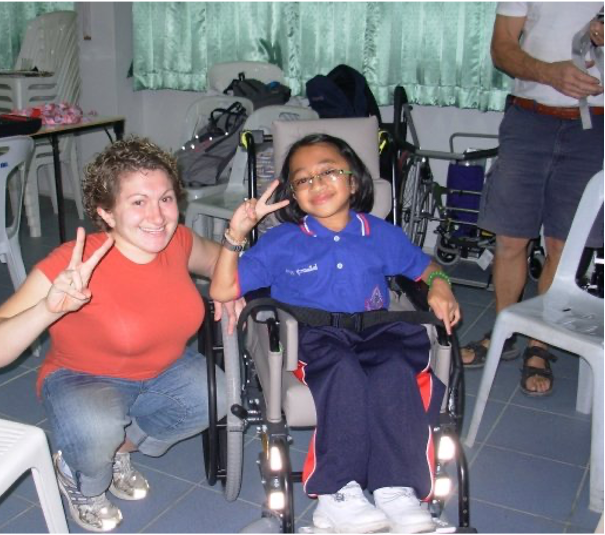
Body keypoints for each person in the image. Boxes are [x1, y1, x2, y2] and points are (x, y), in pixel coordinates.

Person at [0, 136, 241, 532]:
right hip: (81, 377)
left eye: (165, 198)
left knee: (216, 393)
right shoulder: (70, 261)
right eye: (137, 202)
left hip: (162, 370)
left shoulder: (178, 241)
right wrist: (48, 308)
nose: (157, 215)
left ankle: (117, 452)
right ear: (106, 213)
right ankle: (83, 480)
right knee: (95, 430)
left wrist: (233, 287)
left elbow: (221, 261)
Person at [210, 133, 461, 534]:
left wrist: (441, 284)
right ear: (293, 194)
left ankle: (395, 489)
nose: (317, 184)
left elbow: (424, 266)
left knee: (397, 366)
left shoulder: (380, 233)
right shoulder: (281, 242)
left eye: (328, 172)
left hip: (375, 330)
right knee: (343, 371)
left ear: (354, 182)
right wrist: (235, 235)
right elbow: (222, 290)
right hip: (314, 335)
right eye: (303, 179)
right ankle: (336, 493)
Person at [462, 1, 604, 397]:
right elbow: (502, 48)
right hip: (529, 120)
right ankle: (506, 330)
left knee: (562, 244)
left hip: (594, 129)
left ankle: (539, 344)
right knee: (509, 238)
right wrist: (548, 73)